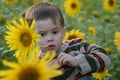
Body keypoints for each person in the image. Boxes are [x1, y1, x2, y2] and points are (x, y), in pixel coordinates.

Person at [25, 2, 111, 80]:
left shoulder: (77, 46)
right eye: (42, 34)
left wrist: (77, 61)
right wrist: (44, 75)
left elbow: (106, 59)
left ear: (63, 33)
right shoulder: (36, 65)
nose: (50, 38)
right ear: (32, 37)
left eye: (55, 32)